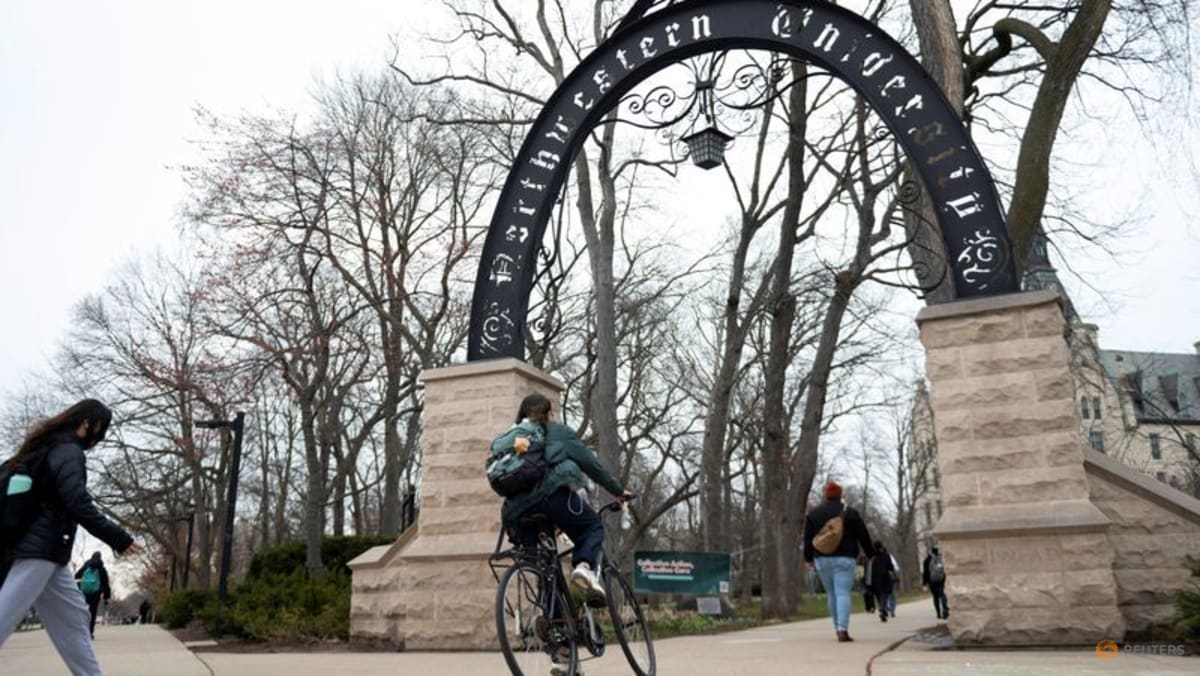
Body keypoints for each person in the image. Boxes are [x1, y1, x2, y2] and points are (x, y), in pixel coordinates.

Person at [0, 399, 143, 675]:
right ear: (87, 423)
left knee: (74, 618)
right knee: (5, 615)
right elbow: (78, 503)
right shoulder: (68, 451)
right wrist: (120, 539)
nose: (97, 438)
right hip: (40, 549)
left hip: (49, 551)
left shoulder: (46, 446)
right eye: (99, 430)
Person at [500, 394, 634, 605]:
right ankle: (584, 567)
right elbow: (591, 464)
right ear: (549, 413)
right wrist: (617, 490)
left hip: (515, 513)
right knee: (592, 526)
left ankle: (554, 624)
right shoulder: (558, 432)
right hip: (552, 498)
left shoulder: (510, 437)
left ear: (523, 413)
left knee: (545, 565)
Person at [803, 479, 875, 642]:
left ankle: (836, 627)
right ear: (840, 495)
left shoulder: (814, 514)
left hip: (822, 559)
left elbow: (807, 539)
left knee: (831, 594)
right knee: (842, 593)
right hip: (845, 558)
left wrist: (808, 558)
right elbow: (863, 534)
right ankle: (843, 629)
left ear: (825, 495)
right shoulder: (850, 512)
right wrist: (870, 553)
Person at [74, 552, 111, 639]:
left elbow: (77, 575)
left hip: (84, 592)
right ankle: (89, 632)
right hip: (96, 593)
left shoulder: (86, 566)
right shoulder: (102, 569)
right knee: (93, 612)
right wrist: (106, 597)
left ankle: (80, 631)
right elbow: (106, 584)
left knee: (82, 611)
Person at [866, 541, 896, 622]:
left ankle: (883, 609)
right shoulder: (886, 556)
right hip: (884, 577)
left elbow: (868, 569)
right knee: (884, 595)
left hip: (873, 579)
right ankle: (882, 609)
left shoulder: (871, 557)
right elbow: (890, 567)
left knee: (878, 595)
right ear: (881, 547)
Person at [922, 545, 950, 620]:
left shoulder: (927, 560)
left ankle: (938, 613)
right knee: (943, 594)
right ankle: (945, 609)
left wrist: (924, 583)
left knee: (935, 597)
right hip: (942, 580)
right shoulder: (942, 558)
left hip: (932, 581)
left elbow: (925, 573)